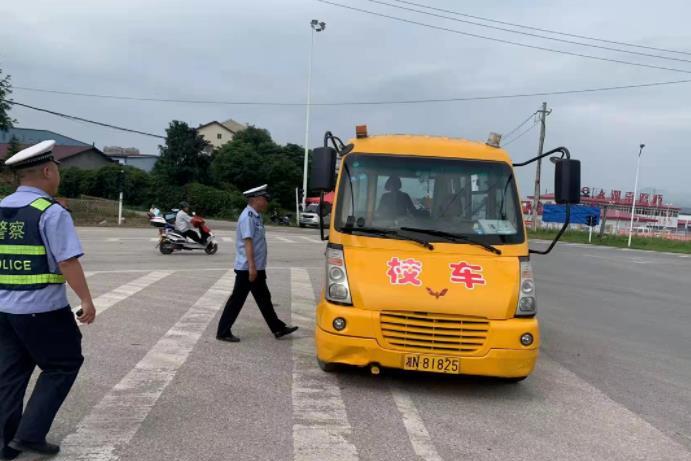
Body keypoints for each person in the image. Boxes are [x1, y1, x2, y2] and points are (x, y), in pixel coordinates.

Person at [0, 140, 96, 459]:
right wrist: (86, 299)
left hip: (4, 309)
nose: (57, 174)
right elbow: (67, 261)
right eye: (56, 168)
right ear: (46, 171)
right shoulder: (51, 211)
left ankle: (5, 444)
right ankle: (29, 436)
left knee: (11, 373)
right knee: (63, 365)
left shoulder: (1, 207)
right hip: (42, 309)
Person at [216, 185, 298, 342]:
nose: (267, 202)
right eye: (265, 199)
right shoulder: (247, 217)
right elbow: (248, 243)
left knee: (264, 298)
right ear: (256, 199)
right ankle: (223, 332)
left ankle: (278, 328)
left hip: (256, 267)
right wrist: (252, 268)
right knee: (237, 300)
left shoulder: (256, 216)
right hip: (248, 268)